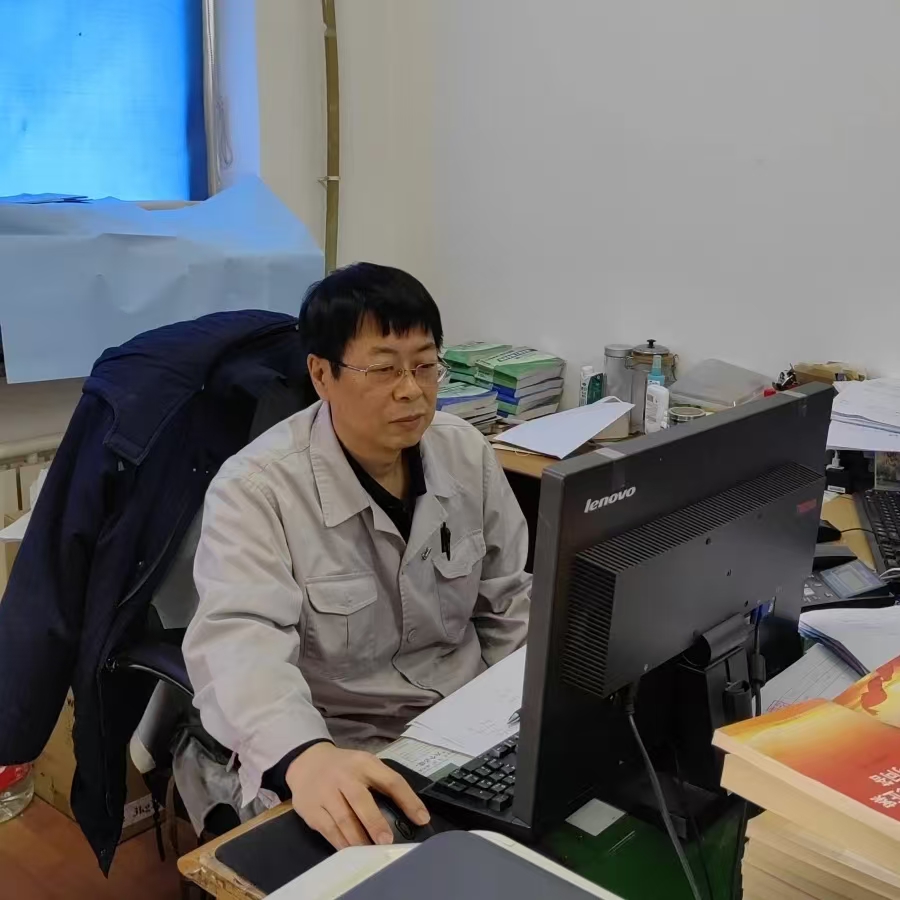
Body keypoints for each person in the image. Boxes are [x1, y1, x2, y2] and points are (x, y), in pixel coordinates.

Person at [183, 262, 531, 850]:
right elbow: (239, 644)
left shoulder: (465, 451)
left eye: (425, 365)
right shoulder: (257, 489)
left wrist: (530, 710)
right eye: (384, 369)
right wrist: (304, 754)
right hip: (343, 749)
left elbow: (509, 600)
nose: (411, 390)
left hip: (467, 728)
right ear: (322, 374)